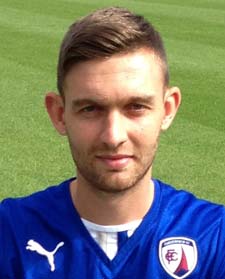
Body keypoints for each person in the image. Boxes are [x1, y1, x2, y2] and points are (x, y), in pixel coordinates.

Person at [0, 7, 224, 279]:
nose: (113, 136)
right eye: (90, 109)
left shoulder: (213, 237)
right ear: (59, 114)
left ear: (167, 109)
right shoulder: (9, 232)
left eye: (136, 107)